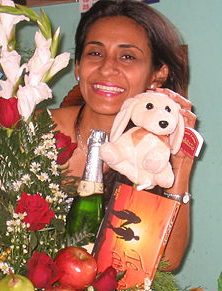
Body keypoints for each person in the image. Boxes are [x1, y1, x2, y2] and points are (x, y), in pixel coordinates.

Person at [50, 0, 196, 270]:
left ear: (157, 74)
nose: (107, 68)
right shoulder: (38, 131)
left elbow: (165, 262)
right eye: (95, 53)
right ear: (78, 66)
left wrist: (181, 160)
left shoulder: (153, 155)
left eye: (127, 57)